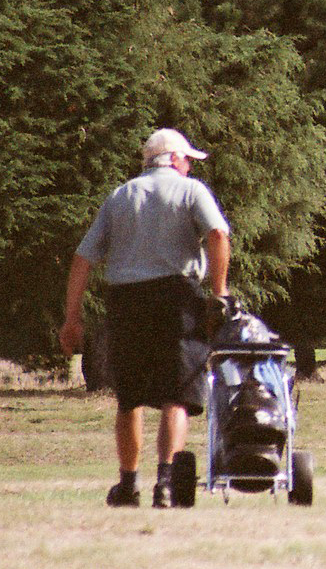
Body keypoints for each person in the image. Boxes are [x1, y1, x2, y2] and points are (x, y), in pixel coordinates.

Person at [60, 128, 231, 508]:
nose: (189, 167)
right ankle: (166, 485)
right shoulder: (191, 191)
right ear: (173, 159)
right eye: (188, 159)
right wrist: (219, 294)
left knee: (129, 397)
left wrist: (72, 319)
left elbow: (82, 258)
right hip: (177, 298)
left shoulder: (120, 196)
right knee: (178, 395)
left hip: (126, 302)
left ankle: (128, 484)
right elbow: (218, 234)